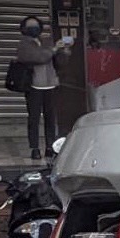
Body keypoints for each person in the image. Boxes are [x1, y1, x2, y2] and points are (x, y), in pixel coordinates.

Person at [16, 16, 70, 161]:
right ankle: (34, 148)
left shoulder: (46, 42)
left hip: (50, 84)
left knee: (50, 118)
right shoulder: (24, 45)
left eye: (36, 26)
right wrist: (53, 49)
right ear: (24, 29)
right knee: (33, 118)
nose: (34, 29)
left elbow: (58, 62)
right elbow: (38, 57)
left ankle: (50, 147)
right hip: (34, 86)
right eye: (30, 26)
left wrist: (63, 51)